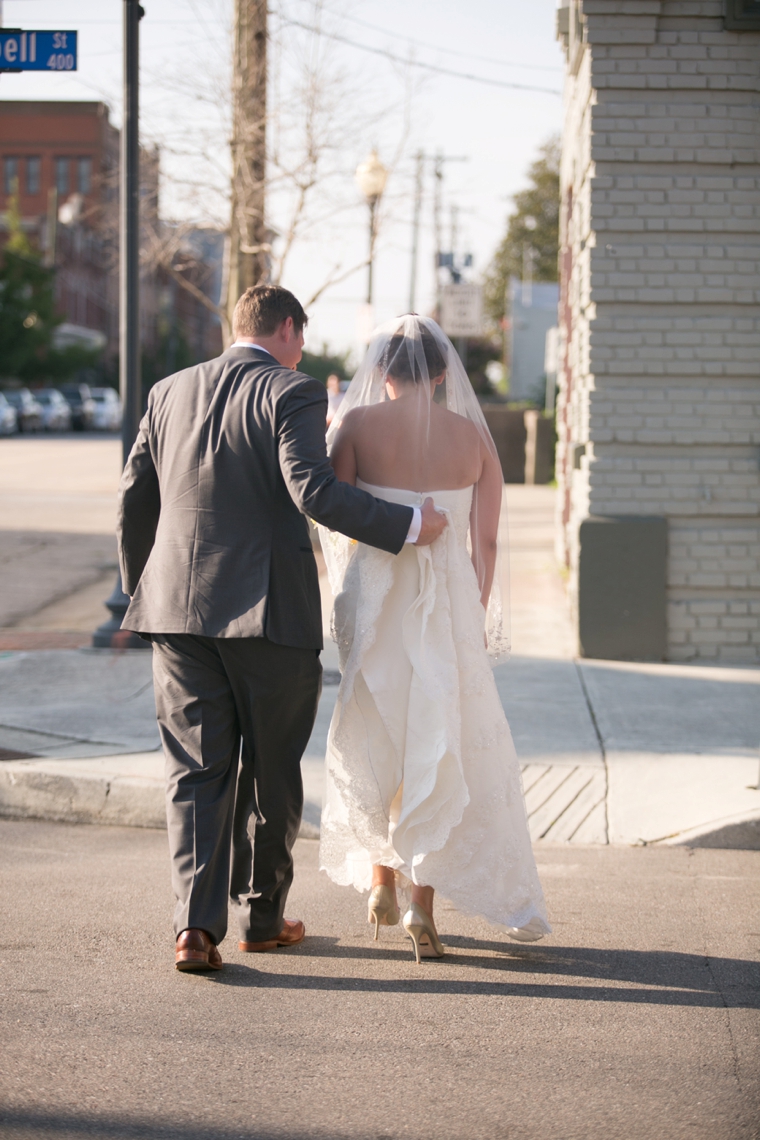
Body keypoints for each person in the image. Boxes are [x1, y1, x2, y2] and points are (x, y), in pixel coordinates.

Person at [116, 286, 447, 972]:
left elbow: (135, 497)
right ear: (288, 329)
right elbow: (313, 491)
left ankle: (194, 929)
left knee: (196, 774)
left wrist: (141, 588)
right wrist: (411, 526)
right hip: (268, 615)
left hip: (178, 615)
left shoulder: (168, 390)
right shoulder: (290, 391)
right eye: (301, 334)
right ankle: (262, 920)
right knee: (271, 773)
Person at [318, 315, 550, 963]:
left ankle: (379, 886)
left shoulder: (356, 426)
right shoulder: (473, 437)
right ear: (444, 372)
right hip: (446, 599)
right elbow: (489, 539)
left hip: (375, 595)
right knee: (439, 735)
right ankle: (422, 904)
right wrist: (473, 602)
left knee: (377, 727)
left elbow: (333, 514)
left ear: (380, 371)